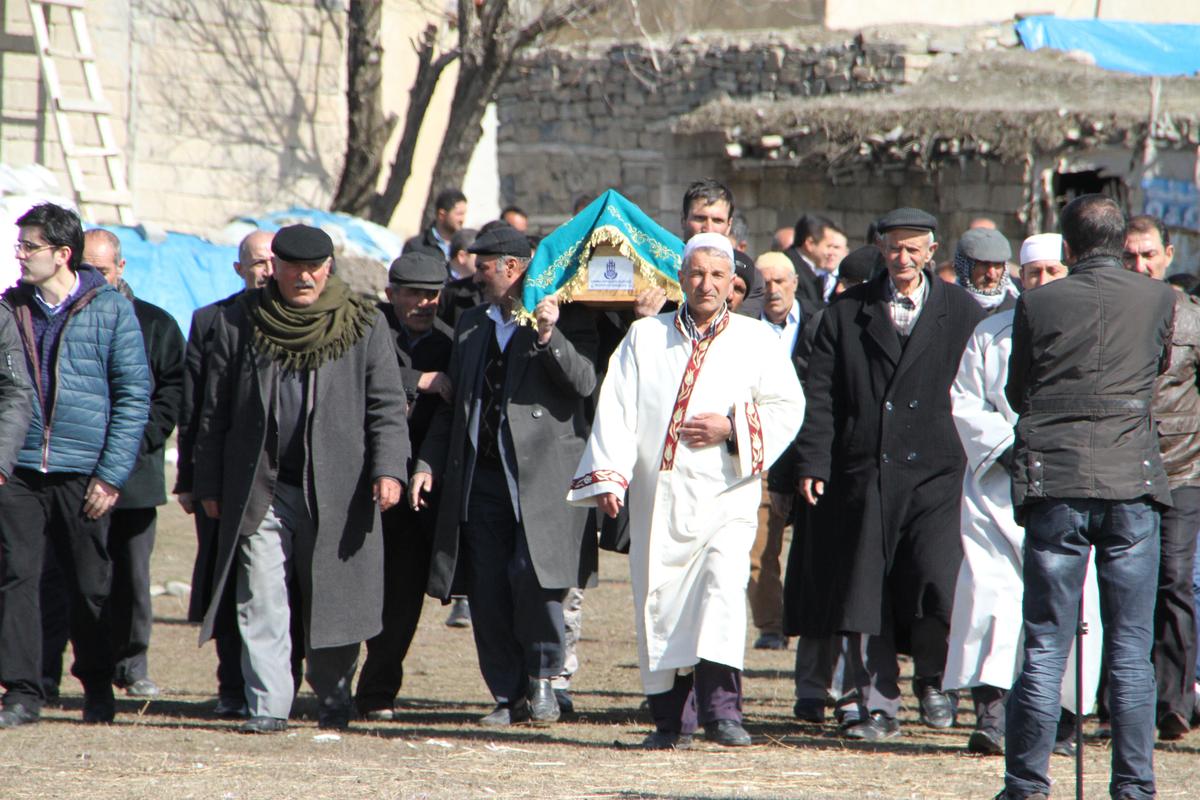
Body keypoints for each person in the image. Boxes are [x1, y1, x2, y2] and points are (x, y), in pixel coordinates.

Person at [567, 233, 805, 749]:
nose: (706, 284)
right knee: (662, 602)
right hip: (660, 500)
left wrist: (733, 426)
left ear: (732, 284)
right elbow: (618, 406)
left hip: (726, 494)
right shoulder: (645, 337)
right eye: (697, 273)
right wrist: (609, 475)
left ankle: (723, 713)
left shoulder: (756, 339)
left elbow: (789, 408)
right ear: (681, 278)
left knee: (721, 587)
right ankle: (671, 722)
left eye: (718, 275)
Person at [193, 224, 409, 733]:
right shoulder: (239, 321)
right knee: (260, 596)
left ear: (329, 267)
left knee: (333, 595)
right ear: (276, 268)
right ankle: (268, 705)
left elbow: (385, 407)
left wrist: (388, 468)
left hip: (338, 488)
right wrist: (206, 483)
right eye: (293, 268)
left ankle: (333, 698)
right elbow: (214, 410)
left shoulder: (362, 323)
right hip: (261, 486)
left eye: (314, 268)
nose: (304, 277)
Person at [998, 195, 1176, 800]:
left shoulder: (1038, 301)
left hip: (1057, 479)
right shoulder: (1158, 297)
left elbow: (1017, 389)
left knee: (1046, 641)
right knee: (1130, 649)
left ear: (1067, 249)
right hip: (1130, 477)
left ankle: (1025, 785)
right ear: (1121, 241)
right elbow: (1155, 370)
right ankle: (1133, 787)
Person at [791, 207, 986, 741]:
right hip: (864, 469)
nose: (902, 258)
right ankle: (877, 705)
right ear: (880, 250)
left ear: (930, 252)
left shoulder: (961, 311)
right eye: (893, 248)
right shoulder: (845, 311)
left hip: (938, 473)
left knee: (932, 582)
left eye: (913, 249)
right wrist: (813, 460)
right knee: (864, 590)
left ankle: (932, 680)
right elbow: (821, 396)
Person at [410, 224, 599, 727]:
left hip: (542, 479)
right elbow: (456, 405)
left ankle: (544, 683)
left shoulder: (565, 312)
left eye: (483, 267)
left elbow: (583, 382)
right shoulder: (471, 324)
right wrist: (427, 463)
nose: (473, 276)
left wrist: (547, 334)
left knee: (534, 581)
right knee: (488, 587)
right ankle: (507, 695)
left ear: (512, 267)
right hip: (482, 477)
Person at [944, 233, 1101, 757]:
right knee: (992, 598)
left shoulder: (1090, 330)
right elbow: (966, 401)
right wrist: (1010, 448)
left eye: (1051, 272)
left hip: (1069, 485)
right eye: (1033, 274)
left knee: (1070, 602)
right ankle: (992, 715)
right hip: (997, 493)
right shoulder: (989, 334)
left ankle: (1060, 721)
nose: (1041, 283)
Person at [0, 202, 150, 727]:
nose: (19, 256)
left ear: (63, 254)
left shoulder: (109, 310)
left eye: (29, 247)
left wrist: (110, 474)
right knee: (17, 577)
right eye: (18, 246)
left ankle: (97, 688)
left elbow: (134, 395)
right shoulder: (8, 309)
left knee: (90, 584)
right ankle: (22, 691)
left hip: (83, 471)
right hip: (18, 470)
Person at [40, 229, 185, 702]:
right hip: (71, 473)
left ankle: (131, 663)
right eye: (84, 269)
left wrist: (133, 445)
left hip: (135, 475)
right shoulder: (59, 317)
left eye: (101, 270)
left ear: (120, 268)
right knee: (64, 577)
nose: (92, 278)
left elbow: (169, 395)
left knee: (130, 577)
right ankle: (47, 671)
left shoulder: (155, 324)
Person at [175, 229, 283, 718]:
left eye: (271, 262)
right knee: (224, 579)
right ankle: (232, 685)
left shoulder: (300, 322)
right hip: (222, 479)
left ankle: (277, 684)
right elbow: (197, 407)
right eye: (256, 263)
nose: (265, 271)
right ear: (239, 269)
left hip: (278, 478)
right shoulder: (212, 320)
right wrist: (194, 481)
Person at [781, 244, 884, 726]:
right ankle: (811, 689)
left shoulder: (874, 321)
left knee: (853, 591)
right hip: (823, 474)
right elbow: (809, 396)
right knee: (818, 584)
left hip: (865, 475)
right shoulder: (827, 322)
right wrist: (812, 465)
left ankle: (849, 691)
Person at [355, 251, 453, 721]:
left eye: (432, 294)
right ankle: (323, 681)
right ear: (390, 293)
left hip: (417, 493)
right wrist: (420, 380)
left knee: (402, 598)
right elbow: (355, 379)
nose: (424, 303)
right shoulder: (362, 329)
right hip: (359, 482)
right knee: (348, 587)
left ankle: (378, 691)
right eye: (413, 293)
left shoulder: (454, 342)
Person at [1121, 214, 1200, 741]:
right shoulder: (1107, 312)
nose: (1140, 265)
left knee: (1173, 580)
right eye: (1130, 255)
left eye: (1148, 254)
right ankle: (1121, 699)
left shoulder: (1193, 318)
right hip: (1119, 468)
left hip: (1182, 468)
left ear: (1168, 255)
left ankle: (1173, 700)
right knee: (1124, 584)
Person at [749, 251, 812, 651]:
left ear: (795, 283)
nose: (772, 290)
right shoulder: (741, 328)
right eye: (764, 283)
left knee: (810, 549)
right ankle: (772, 625)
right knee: (760, 548)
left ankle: (810, 621)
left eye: (779, 282)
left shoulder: (820, 323)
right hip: (762, 454)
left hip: (809, 452)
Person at [783, 214, 844, 306]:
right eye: (829, 246)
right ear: (810, 244)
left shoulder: (811, 269)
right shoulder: (788, 268)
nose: (831, 253)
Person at [954, 229, 1018, 314]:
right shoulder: (948, 306)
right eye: (984, 264)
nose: (991, 275)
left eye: (998, 264)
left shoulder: (1017, 310)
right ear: (964, 267)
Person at [405, 189, 467, 260]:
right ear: (442, 215)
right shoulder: (416, 246)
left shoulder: (464, 247)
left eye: (464, 214)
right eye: (459, 214)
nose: (462, 219)